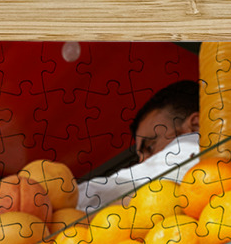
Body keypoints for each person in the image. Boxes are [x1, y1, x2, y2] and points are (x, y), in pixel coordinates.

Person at [76, 80, 203, 212]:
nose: (143, 163)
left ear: (196, 126)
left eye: (150, 147)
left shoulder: (193, 146)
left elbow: (104, 192)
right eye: (140, 157)